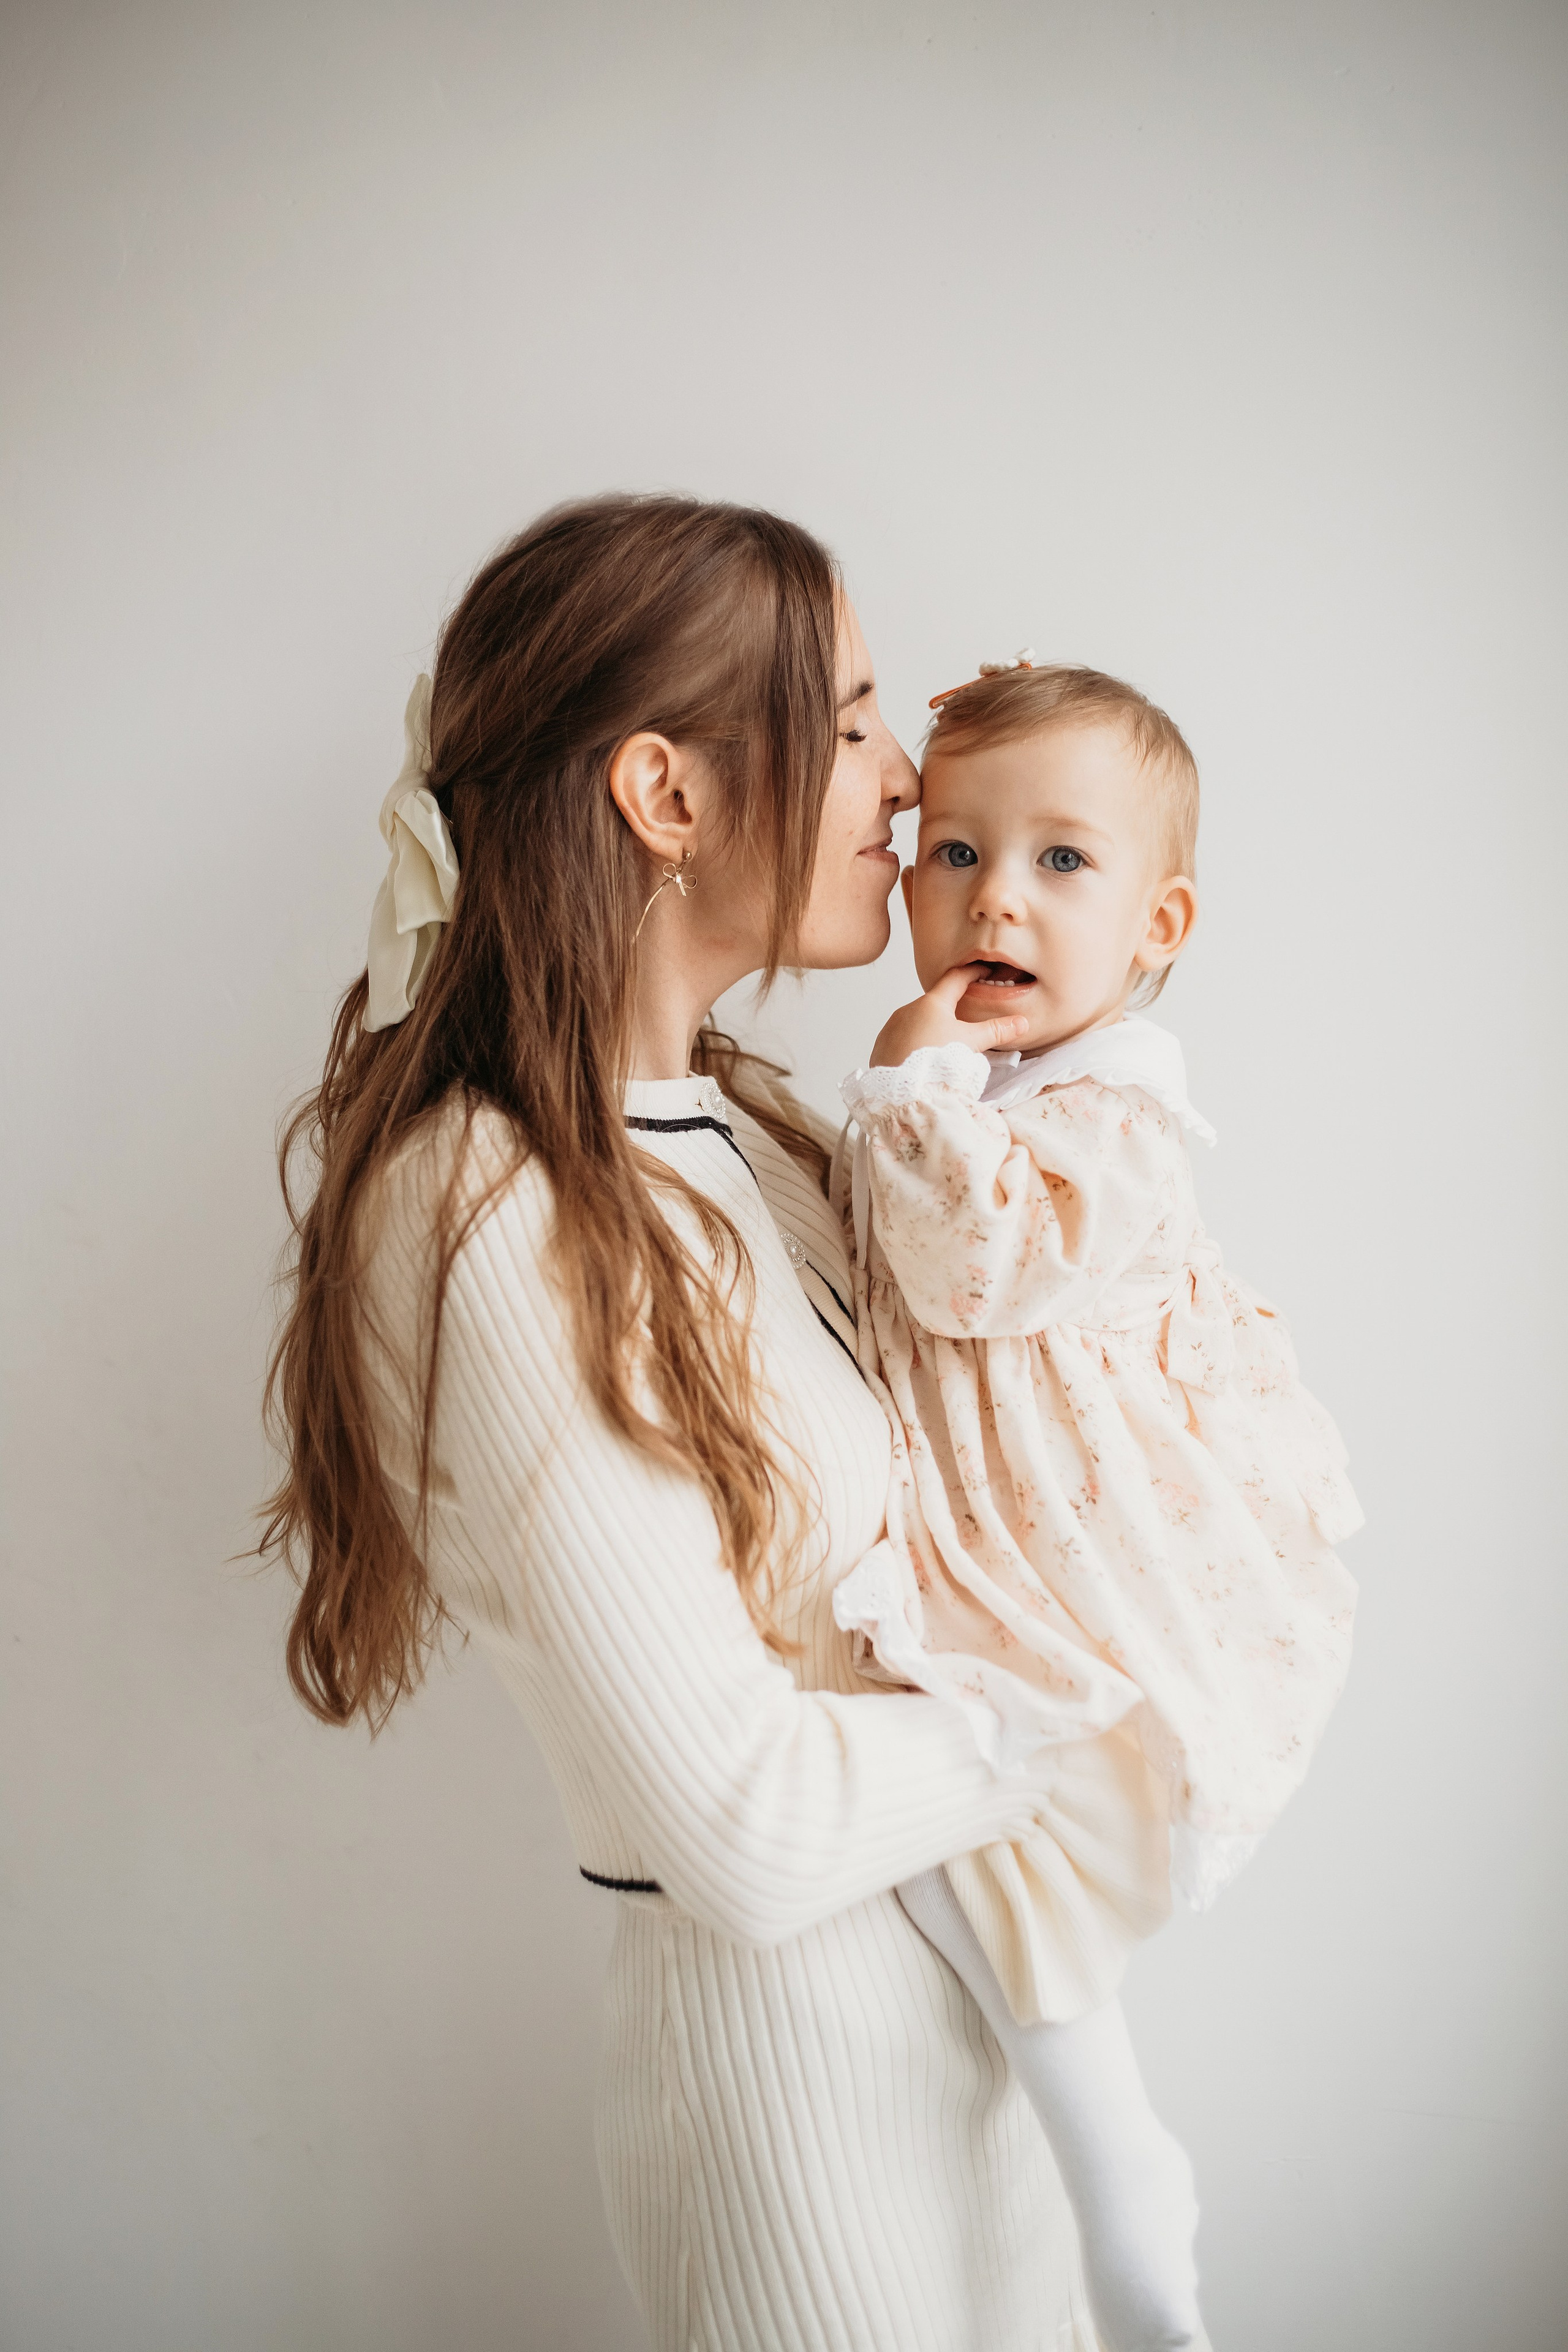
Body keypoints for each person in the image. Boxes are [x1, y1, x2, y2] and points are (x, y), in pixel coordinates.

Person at [263, 500, 1169, 2352]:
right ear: (667, 797)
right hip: (803, 2113)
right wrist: (1078, 1703)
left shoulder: (755, 1130)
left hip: (980, 2047)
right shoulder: (487, 1208)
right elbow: (743, 1823)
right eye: (845, 719)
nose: (906, 777)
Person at [832, 655, 1363, 2351]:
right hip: (990, 1558)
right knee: (949, 1881)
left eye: (1065, 862)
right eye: (955, 852)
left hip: (1102, 1579)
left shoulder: (1117, 1104)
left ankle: (1123, 2175)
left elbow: (982, 1271)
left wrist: (910, 1086)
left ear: (1158, 924)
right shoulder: (964, 1099)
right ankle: (1102, 2166)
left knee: (992, 1845)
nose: (998, 898)